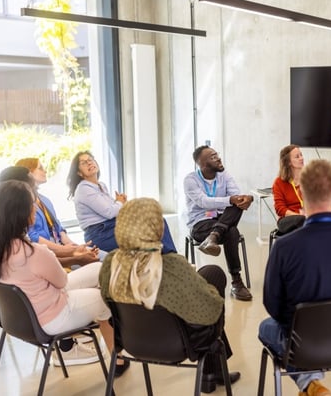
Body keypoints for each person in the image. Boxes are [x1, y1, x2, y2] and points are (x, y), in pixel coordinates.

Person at [0, 180, 128, 375]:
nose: (35, 210)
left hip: (18, 318)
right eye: (32, 206)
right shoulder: (33, 253)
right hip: (53, 316)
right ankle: (115, 358)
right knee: (103, 298)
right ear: (22, 214)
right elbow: (61, 282)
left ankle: (105, 342)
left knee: (97, 269)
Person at [99, 198, 240, 393]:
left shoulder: (109, 264)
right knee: (213, 275)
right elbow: (210, 311)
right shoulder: (171, 265)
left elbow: (110, 304)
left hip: (131, 342)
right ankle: (211, 370)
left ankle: (212, 372)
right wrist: (204, 289)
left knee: (207, 275)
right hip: (179, 345)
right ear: (156, 227)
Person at [260, 159, 331, 396]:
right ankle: (311, 385)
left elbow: (273, 305)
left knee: (266, 327)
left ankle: (309, 383)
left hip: (302, 345)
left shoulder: (284, 246)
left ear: (301, 192)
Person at [67, 151, 176, 254]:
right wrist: (119, 202)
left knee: (157, 220)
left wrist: (119, 203)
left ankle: (168, 259)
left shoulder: (101, 185)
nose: (89, 163)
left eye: (91, 159)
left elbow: (113, 210)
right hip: (101, 234)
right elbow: (109, 212)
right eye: (84, 162)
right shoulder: (84, 189)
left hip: (111, 227)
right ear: (79, 173)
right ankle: (172, 260)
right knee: (150, 229)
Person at [184, 146, 253, 302]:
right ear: (203, 164)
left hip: (221, 220)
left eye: (217, 155)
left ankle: (214, 236)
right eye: (213, 157)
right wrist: (231, 200)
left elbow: (236, 197)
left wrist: (247, 199)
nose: (218, 158)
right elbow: (203, 202)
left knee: (237, 206)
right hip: (201, 224)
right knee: (232, 231)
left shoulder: (224, 175)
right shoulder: (190, 180)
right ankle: (237, 282)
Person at [11, 158, 102, 265]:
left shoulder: (45, 200)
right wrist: (68, 251)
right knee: (99, 264)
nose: (45, 171)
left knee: (103, 256)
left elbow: (58, 228)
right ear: (29, 173)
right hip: (51, 252)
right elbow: (33, 237)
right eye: (40, 168)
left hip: (61, 247)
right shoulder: (23, 205)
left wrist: (75, 246)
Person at [272, 144, 306, 234]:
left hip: (306, 219)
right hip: (287, 220)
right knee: (302, 220)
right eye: (297, 157)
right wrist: (299, 215)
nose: (301, 158)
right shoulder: (279, 182)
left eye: (301, 155)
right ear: (288, 162)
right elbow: (280, 209)